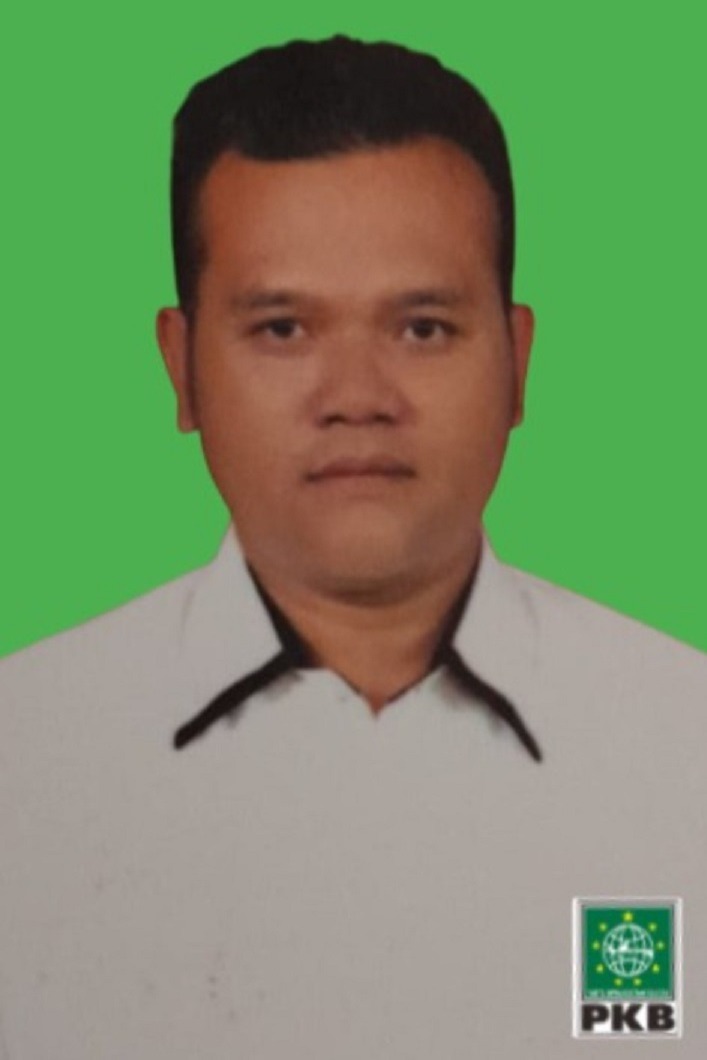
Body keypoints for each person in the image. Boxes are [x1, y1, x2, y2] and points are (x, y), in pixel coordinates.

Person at [0, 35, 704, 1058]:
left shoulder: (682, 742)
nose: (357, 399)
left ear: (516, 362)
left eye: (421, 328)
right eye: (283, 329)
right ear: (181, 368)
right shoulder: (25, 755)